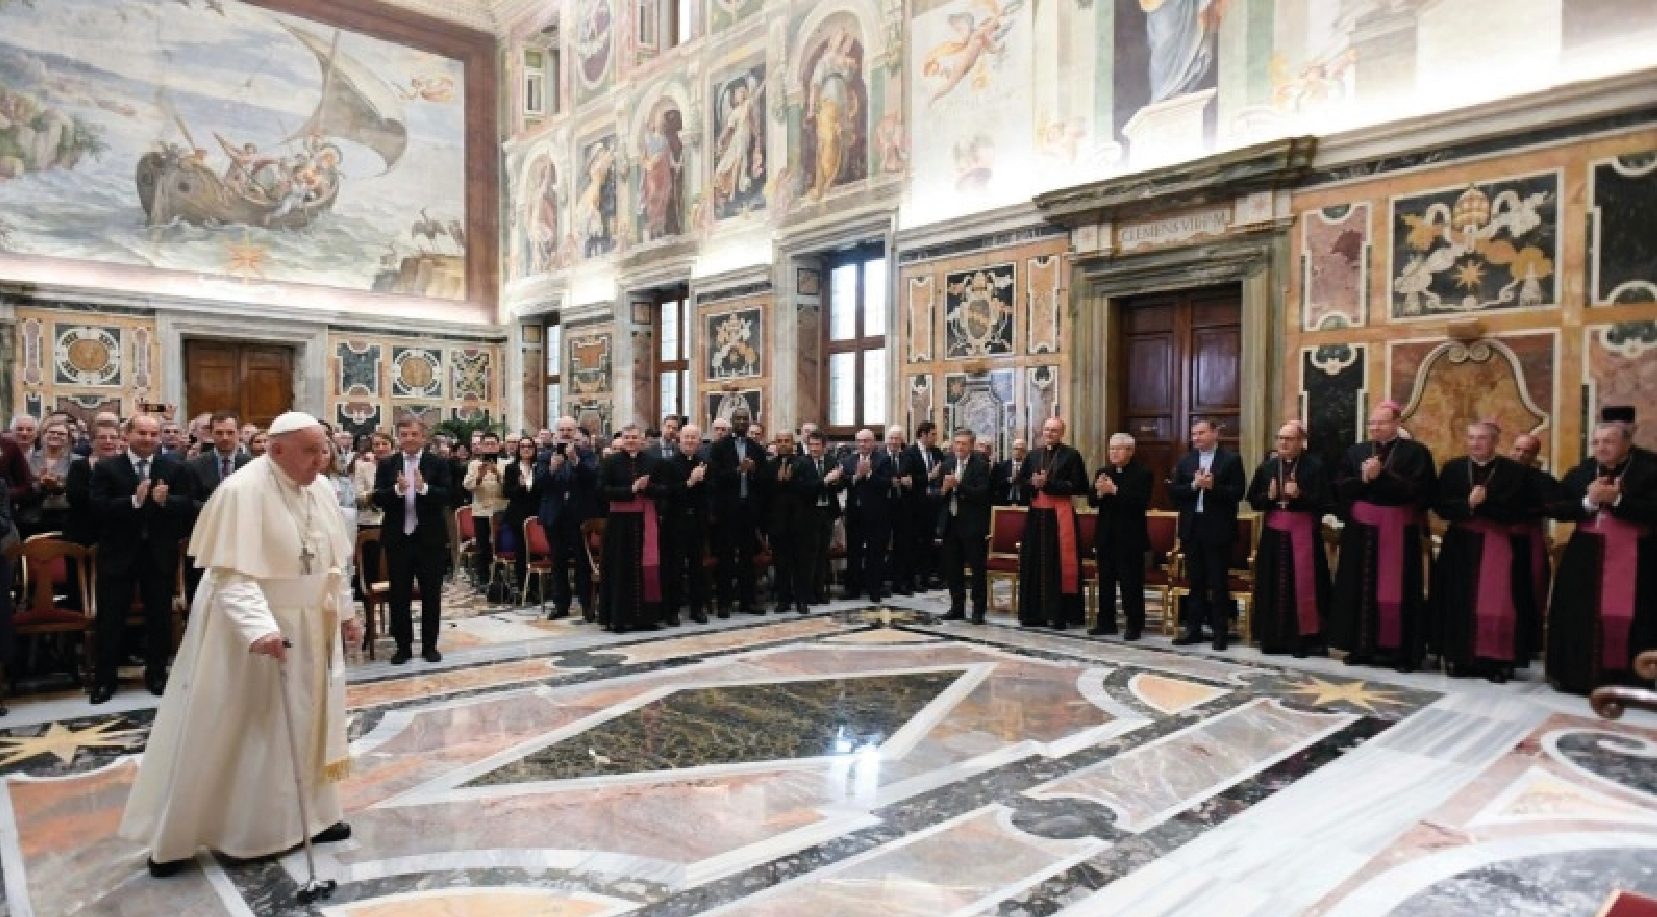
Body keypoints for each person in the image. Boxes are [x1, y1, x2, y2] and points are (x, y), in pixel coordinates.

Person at [120, 411, 361, 878]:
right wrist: (259, 629)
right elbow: (231, 574)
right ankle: (226, 830)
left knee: (309, 724)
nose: (322, 459)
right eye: (311, 450)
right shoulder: (241, 492)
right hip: (253, 632)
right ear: (276, 450)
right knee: (247, 727)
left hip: (312, 626)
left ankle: (315, 817)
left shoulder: (323, 489)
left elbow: (333, 563)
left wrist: (347, 615)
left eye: (324, 449)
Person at [1545, 411, 1656, 694]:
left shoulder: (1650, 468)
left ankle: (1631, 679)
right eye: (1596, 442)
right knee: (1579, 616)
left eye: (1608, 441)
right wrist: (1588, 501)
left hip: (1638, 557)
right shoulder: (1584, 470)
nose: (1601, 448)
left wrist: (1618, 500)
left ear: (1627, 443)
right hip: (1586, 559)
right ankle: (1579, 678)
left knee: (1638, 617)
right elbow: (1557, 508)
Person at [88, 414, 193, 703]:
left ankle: (157, 674)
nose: (147, 439)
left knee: (159, 617)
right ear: (128, 434)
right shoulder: (108, 468)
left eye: (152, 434)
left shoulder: (173, 467)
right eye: (142, 433)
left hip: (158, 554)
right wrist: (133, 502)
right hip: (119, 554)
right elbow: (97, 508)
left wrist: (165, 502)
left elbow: (188, 504)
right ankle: (105, 680)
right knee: (111, 618)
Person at [1330, 402, 1437, 672]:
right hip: (1361, 532)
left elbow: (1421, 492)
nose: (1375, 428)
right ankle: (1360, 648)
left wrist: (1382, 477)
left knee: (1399, 590)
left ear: (1397, 422)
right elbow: (1340, 488)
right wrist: (1364, 481)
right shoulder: (1356, 452)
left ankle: (1400, 654)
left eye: (1382, 423)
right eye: (1371, 423)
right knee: (1358, 588)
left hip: (1397, 531)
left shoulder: (1416, 453)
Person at [1431, 421, 1537, 683]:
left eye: (1482, 438)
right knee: (1457, 599)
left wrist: (1485, 504)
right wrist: (1467, 504)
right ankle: (1458, 657)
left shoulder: (1514, 472)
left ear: (1495, 442)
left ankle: (1497, 662)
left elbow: (1520, 511)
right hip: (1460, 543)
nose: (1475, 443)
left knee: (1500, 601)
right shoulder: (1454, 468)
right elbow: (1441, 507)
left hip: (1498, 541)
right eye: (1471, 437)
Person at [1246, 421, 1333, 656]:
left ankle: (1302, 641)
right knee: (1272, 584)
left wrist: (1300, 495)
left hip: (1304, 534)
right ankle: (1272, 639)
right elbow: (1252, 499)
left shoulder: (1315, 467)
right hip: (1274, 537)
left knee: (1303, 587)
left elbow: (1326, 501)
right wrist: (1269, 496)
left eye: (1289, 439)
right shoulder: (1267, 468)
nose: (1283, 443)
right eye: (1280, 438)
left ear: (1301, 442)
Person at [372, 420, 451, 664]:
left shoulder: (437, 464)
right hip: (399, 539)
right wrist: (397, 490)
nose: (409, 438)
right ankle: (403, 646)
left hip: (429, 539)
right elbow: (378, 498)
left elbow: (448, 495)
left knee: (431, 595)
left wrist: (424, 488)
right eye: (404, 434)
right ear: (398, 437)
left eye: (414, 434)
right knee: (399, 595)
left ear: (424, 437)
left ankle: (430, 646)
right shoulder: (387, 465)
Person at [1170, 419, 1247, 651]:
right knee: (1196, 582)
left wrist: (1214, 487)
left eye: (1201, 433)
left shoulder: (1231, 460)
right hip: (1192, 528)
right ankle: (1193, 629)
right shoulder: (1186, 461)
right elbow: (1175, 493)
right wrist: (1194, 486)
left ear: (1215, 433)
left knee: (1218, 582)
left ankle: (1220, 632)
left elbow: (1238, 493)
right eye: (1194, 434)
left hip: (1218, 529)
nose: (1196, 438)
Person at [1017, 418, 1089, 629]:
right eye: (1047, 429)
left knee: (1058, 566)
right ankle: (1033, 614)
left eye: (1054, 430)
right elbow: (1021, 483)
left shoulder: (1071, 455)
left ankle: (1059, 614)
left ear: (1062, 432)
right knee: (1033, 563)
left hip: (1059, 517)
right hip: (1036, 517)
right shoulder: (1033, 455)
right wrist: (1032, 484)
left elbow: (1080, 485)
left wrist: (1048, 484)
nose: (1050, 433)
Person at [597, 425, 665, 633]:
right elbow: (602, 491)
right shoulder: (610, 462)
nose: (631, 441)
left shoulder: (654, 462)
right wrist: (631, 490)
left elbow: (664, 490)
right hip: (619, 524)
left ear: (642, 440)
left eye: (635, 437)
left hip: (646, 522)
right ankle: (618, 618)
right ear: (622, 439)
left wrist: (648, 488)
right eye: (627, 437)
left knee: (646, 569)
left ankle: (646, 618)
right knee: (620, 569)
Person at [1088, 433, 1154, 639]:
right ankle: (1106, 622)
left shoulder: (1143, 473)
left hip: (1130, 538)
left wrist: (1114, 490)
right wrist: (1099, 492)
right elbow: (1091, 501)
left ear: (1130, 451)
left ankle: (1134, 624)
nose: (1113, 452)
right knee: (1105, 582)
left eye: (1118, 448)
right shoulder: (1103, 471)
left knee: (1130, 583)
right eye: (1111, 448)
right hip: (1106, 536)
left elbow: (1140, 502)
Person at [536, 416, 600, 621]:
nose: (565, 433)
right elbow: (539, 484)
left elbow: (592, 479)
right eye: (562, 430)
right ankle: (560, 605)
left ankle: (586, 605)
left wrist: (575, 461)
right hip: (554, 516)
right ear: (556, 433)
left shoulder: (586, 455)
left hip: (578, 517)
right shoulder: (546, 456)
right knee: (558, 562)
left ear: (575, 433)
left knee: (582, 562)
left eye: (569, 430)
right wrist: (553, 468)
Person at [185, 412, 252, 600]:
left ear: (238, 433)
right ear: (211, 434)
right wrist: (219, 510)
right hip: (206, 538)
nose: (225, 438)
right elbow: (189, 501)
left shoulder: (251, 466)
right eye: (219, 432)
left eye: (230, 432)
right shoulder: (194, 466)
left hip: (241, 539)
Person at [757, 431, 820, 615]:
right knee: (781, 564)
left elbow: (811, 489)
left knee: (801, 564)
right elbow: (765, 495)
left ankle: (801, 600)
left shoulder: (804, 463)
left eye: (787, 441)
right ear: (775, 444)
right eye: (780, 441)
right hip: (778, 524)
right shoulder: (769, 466)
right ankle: (783, 600)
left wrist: (791, 481)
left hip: (800, 523)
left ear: (793, 443)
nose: (783, 444)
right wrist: (777, 482)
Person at [709, 408, 764, 615]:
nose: (741, 422)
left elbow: (762, 480)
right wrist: (737, 471)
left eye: (745, 419)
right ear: (732, 422)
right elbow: (714, 478)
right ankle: (724, 602)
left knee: (747, 557)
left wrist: (753, 472)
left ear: (749, 423)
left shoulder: (755, 448)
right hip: (727, 511)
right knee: (726, 557)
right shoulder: (719, 447)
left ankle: (747, 601)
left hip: (748, 510)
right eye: (738, 419)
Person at [656, 424, 711, 624]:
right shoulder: (668, 464)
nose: (690, 441)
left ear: (699, 441)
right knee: (675, 568)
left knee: (697, 568)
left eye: (694, 438)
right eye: (686, 437)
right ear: (679, 439)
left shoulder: (703, 462)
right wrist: (689, 482)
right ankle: (672, 610)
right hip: (675, 523)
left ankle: (697, 609)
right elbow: (667, 492)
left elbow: (707, 494)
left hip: (696, 522)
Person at [938, 428, 991, 624]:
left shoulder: (981, 465)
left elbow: (983, 494)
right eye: (957, 443)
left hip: (972, 526)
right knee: (953, 568)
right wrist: (944, 489)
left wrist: (958, 485)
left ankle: (978, 610)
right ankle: (957, 606)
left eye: (963, 444)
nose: (959, 447)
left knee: (977, 570)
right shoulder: (947, 464)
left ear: (971, 445)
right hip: (950, 524)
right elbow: (937, 494)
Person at [840, 428, 894, 603]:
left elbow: (886, 483)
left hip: (876, 515)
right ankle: (853, 589)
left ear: (873, 442)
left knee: (875, 553)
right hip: (854, 514)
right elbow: (843, 482)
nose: (862, 444)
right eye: (859, 441)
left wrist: (869, 474)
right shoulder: (848, 460)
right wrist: (856, 476)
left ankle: (874, 589)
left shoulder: (883, 460)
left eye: (866, 441)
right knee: (853, 552)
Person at [1510, 432, 1557, 631]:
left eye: (1527, 451)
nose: (1521, 455)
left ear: (1535, 455)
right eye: (1517, 449)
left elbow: (1554, 505)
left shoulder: (1544, 481)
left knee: (1533, 583)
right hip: (1502, 536)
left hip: (1530, 537)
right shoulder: (1499, 474)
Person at [906, 422, 946, 589]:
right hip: (916, 506)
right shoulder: (910, 453)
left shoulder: (937, 453)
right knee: (916, 543)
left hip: (934, 504)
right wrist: (929, 476)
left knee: (929, 542)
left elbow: (944, 471)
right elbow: (909, 479)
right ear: (922, 435)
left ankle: (926, 577)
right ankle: (914, 579)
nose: (935, 438)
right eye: (933, 434)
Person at [463, 433, 507, 585]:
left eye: (492, 443)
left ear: (498, 445)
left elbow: (510, 488)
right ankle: (483, 577)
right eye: (486, 444)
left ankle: (500, 577)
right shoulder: (473, 465)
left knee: (501, 545)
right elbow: (467, 486)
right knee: (483, 545)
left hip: (501, 511)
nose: (489, 446)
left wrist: (498, 474)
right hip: (481, 510)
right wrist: (480, 476)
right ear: (481, 446)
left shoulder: (506, 463)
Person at [803, 431, 842, 604]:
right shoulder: (803, 463)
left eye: (817, 445)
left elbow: (841, 484)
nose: (814, 448)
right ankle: (809, 592)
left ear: (824, 446)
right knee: (810, 555)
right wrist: (825, 481)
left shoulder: (832, 461)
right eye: (811, 444)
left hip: (827, 512)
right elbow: (805, 487)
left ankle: (820, 591)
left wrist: (836, 480)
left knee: (822, 554)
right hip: (810, 514)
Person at [501, 437, 542, 598]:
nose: (526, 449)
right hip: (517, 516)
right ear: (518, 449)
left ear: (534, 449)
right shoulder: (511, 468)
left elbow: (542, 490)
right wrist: (520, 486)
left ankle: (536, 588)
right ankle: (522, 587)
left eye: (529, 446)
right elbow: (506, 493)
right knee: (521, 552)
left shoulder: (539, 467)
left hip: (536, 514)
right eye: (523, 446)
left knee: (536, 552)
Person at [25, 417, 75, 536]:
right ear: (43, 435)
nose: (56, 435)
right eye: (52, 432)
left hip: (65, 516)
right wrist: (40, 484)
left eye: (61, 433)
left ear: (68, 438)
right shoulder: (28, 459)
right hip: (32, 517)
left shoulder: (77, 461)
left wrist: (58, 486)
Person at [885, 426, 918, 595]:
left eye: (896, 438)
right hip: (884, 508)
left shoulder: (908, 458)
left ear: (902, 441)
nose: (893, 442)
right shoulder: (881, 457)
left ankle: (900, 582)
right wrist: (892, 481)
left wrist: (910, 483)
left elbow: (917, 479)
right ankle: (882, 583)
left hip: (903, 507)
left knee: (902, 546)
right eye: (891, 438)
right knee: (882, 545)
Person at [993, 437, 1031, 506]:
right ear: (1012, 450)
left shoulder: (1030, 467)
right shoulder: (1001, 466)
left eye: (1021, 450)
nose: (1018, 452)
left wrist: (1021, 481)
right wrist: (1009, 480)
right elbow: (995, 484)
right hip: (1003, 503)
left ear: (1026, 452)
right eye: (1016, 449)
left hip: (1024, 503)